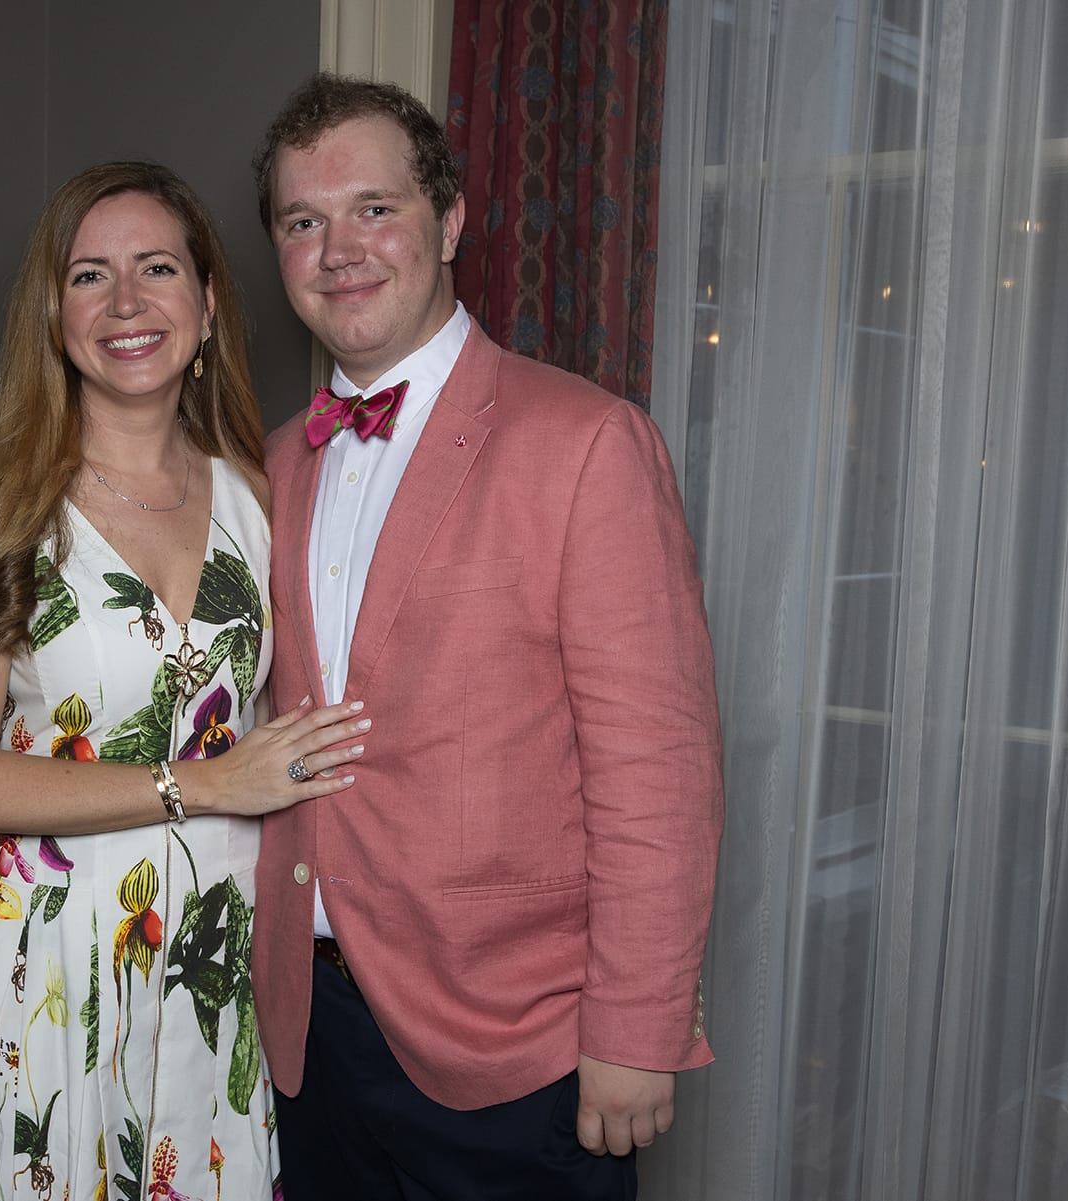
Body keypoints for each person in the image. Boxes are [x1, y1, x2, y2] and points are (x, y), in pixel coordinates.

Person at [248, 75, 725, 1200]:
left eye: (375, 209)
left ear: (451, 220)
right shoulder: (268, 466)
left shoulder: (588, 442)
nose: (339, 250)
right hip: (305, 1042)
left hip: (517, 1049)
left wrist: (639, 1027)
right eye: (304, 222)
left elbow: (658, 772)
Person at [0, 161, 370, 1201]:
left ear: (207, 302)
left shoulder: (259, 494)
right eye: (90, 276)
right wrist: (207, 782)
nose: (127, 303)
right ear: (53, 317)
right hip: (41, 967)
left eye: (157, 268)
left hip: (211, 967)